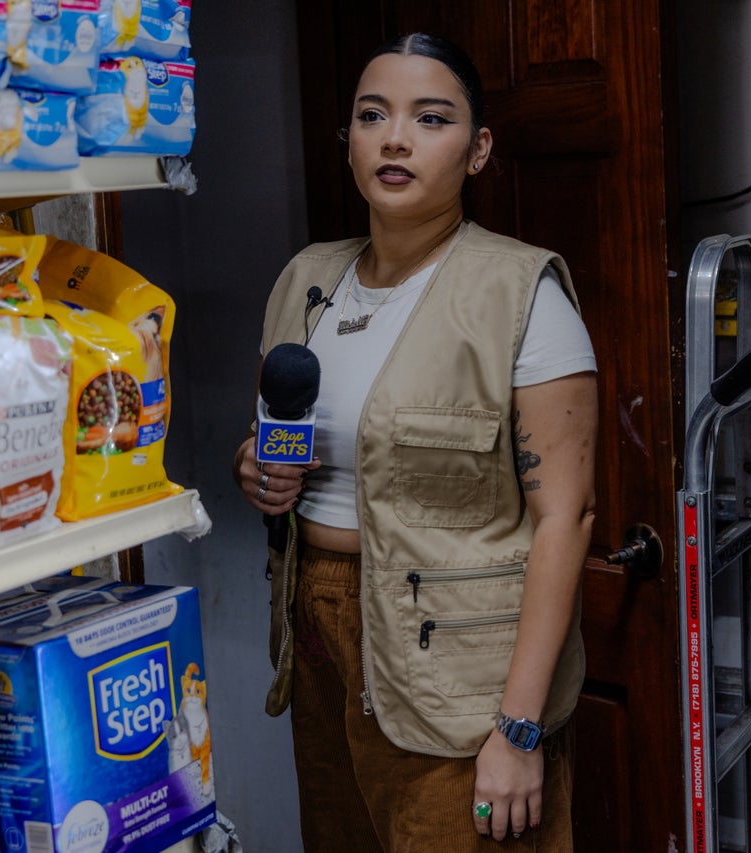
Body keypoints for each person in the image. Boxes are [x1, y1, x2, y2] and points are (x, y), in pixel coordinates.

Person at [232, 32, 598, 851]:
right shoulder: (304, 281)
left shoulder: (520, 294)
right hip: (321, 637)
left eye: (431, 118)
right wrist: (256, 470)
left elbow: (565, 522)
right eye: (372, 115)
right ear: (350, 142)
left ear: (478, 150)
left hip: (459, 668)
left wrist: (519, 729)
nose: (395, 137)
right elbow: (264, 445)